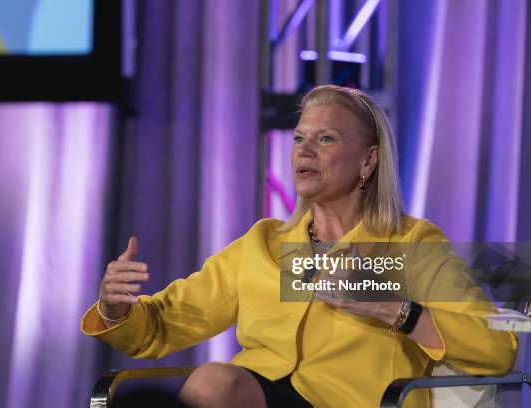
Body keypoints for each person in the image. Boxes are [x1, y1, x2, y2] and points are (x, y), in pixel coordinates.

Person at [81, 85, 518, 408]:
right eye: (298, 139)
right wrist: (113, 309)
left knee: (214, 382)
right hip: (254, 396)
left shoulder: (411, 244)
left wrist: (393, 308)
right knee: (212, 383)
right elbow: (165, 324)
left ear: (368, 161)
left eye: (325, 139)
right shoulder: (264, 243)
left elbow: (496, 349)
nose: (304, 152)